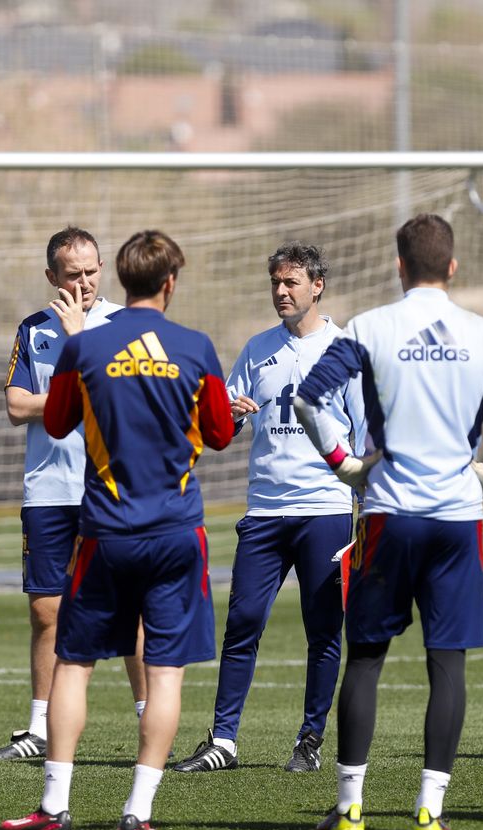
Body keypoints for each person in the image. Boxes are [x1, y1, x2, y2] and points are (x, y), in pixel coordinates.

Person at [294, 213, 483, 830]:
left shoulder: (369, 327)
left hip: (389, 514)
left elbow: (308, 398)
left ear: (398, 266)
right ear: (453, 267)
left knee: (365, 658)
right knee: (448, 664)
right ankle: (430, 809)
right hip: (456, 520)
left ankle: (350, 806)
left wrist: (345, 465)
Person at [0, 230, 233, 830]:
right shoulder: (195, 346)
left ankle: (54, 805)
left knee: (74, 664)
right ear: (170, 282)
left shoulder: (86, 345)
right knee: (165, 670)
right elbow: (220, 433)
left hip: (107, 529)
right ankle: (139, 810)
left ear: (117, 278)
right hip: (177, 530)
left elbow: (57, 421)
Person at [173, 241, 363, 774]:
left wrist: (368, 503)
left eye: (291, 282)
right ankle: (223, 741)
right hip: (264, 511)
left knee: (323, 629)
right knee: (243, 622)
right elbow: (221, 424)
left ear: (317, 286)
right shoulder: (257, 349)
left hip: (325, 507)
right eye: (276, 282)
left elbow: (367, 433)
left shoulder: (346, 350)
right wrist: (232, 413)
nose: (281, 291)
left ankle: (310, 741)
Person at [0, 227, 147, 760]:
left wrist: (69, 392)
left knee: (129, 612)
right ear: (51, 275)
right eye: (72, 273)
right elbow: (16, 406)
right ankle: (39, 728)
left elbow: (131, 398)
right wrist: (79, 394)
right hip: (48, 491)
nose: (84, 282)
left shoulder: (126, 325)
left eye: (91, 271)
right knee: (46, 612)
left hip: (112, 490)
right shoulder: (34, 329)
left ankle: (149, 722)